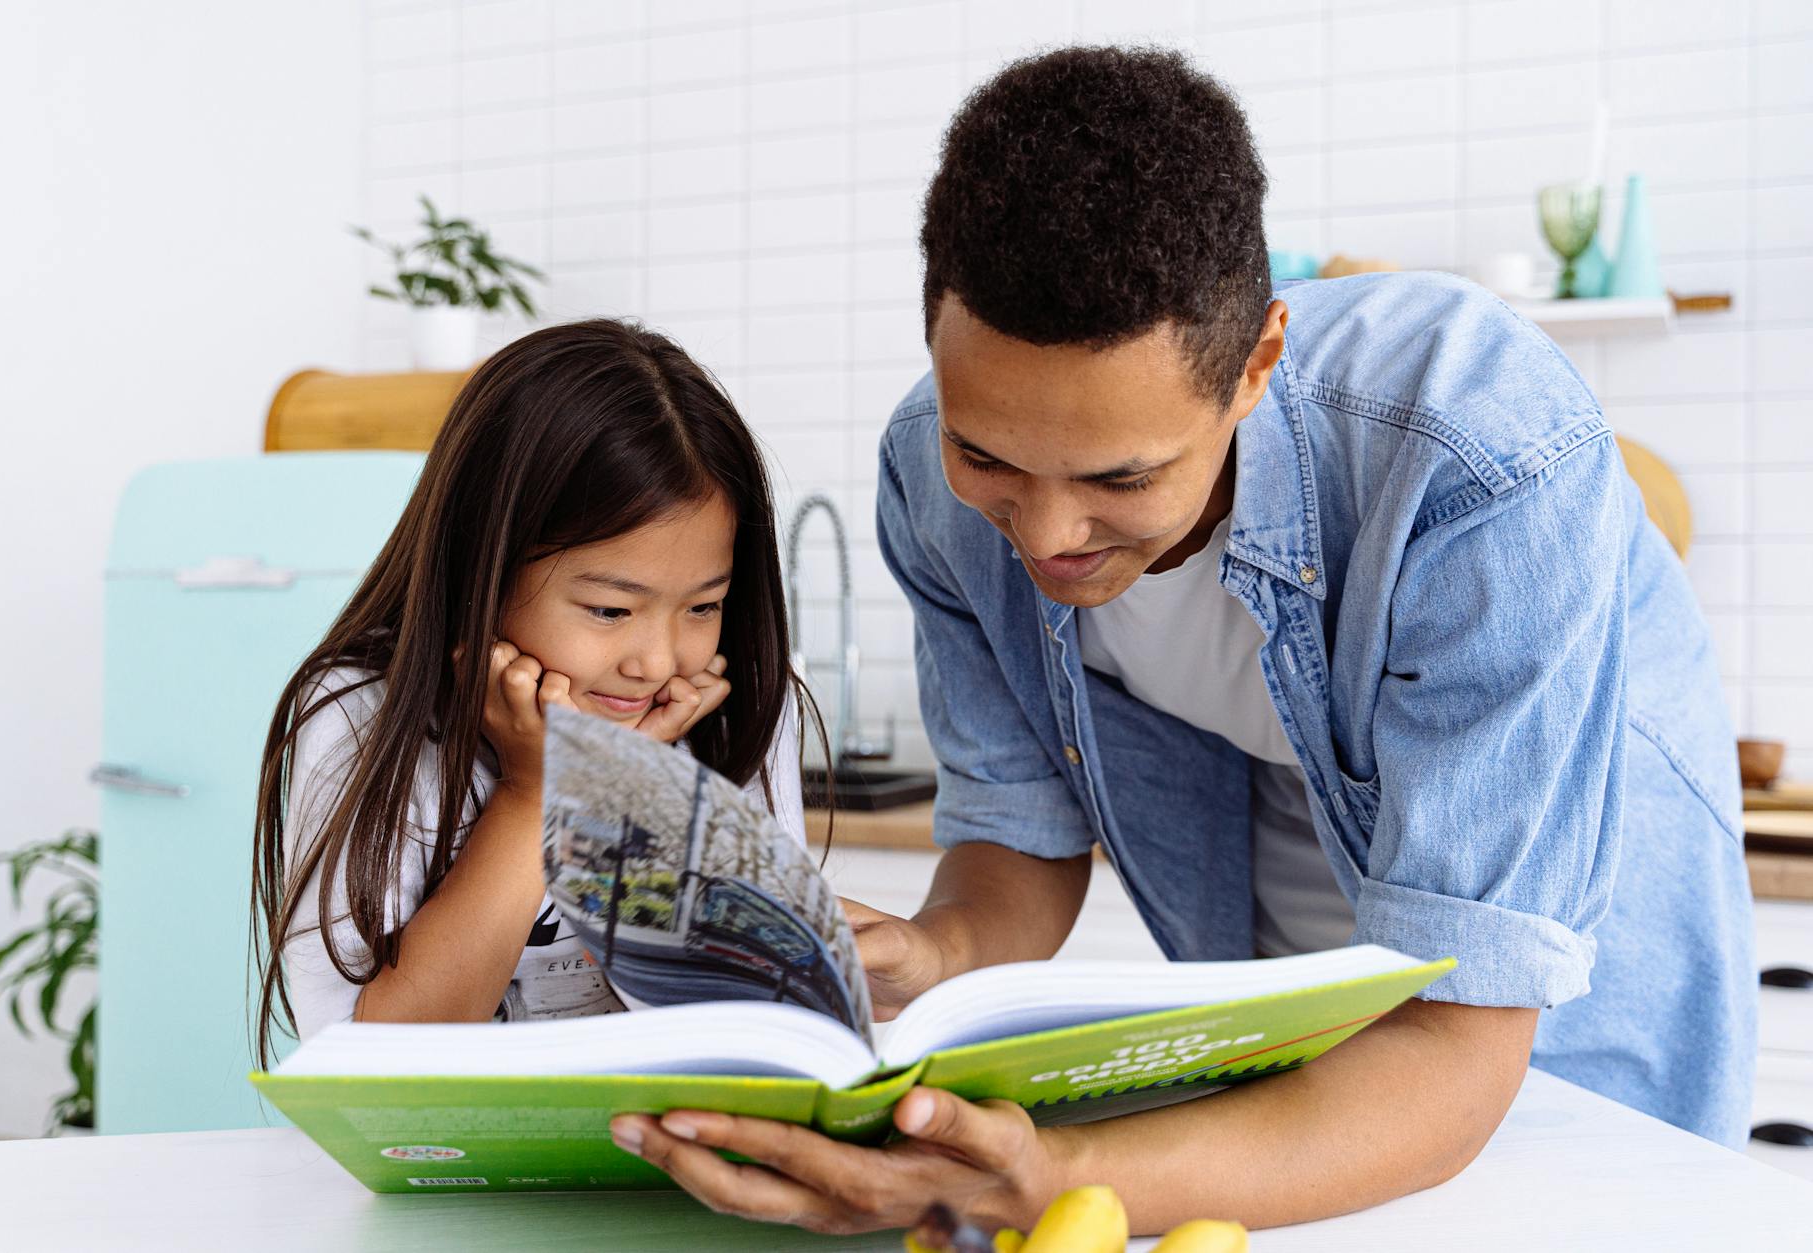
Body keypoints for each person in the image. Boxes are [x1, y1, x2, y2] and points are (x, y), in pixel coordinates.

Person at [611, 46, 1754, 1236]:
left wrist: (1047, 1177)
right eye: (989, 457)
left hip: (1541, 978)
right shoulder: (922, 470)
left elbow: (1458, 1049)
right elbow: (1014, 834)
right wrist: (930, 949)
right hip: (1285, 1011)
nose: (1045, 536)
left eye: (1121, 474)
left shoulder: (1476, 447)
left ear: (1257, 361)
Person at [249, 319, 815, 1064]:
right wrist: (535, 793)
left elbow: (752, 1027)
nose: (656, 661)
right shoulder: (363, 716)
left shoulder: (734, 711)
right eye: (610, 610)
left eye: (702, 606)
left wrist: (632, 781)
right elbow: (376, 1069)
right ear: (484, 569)